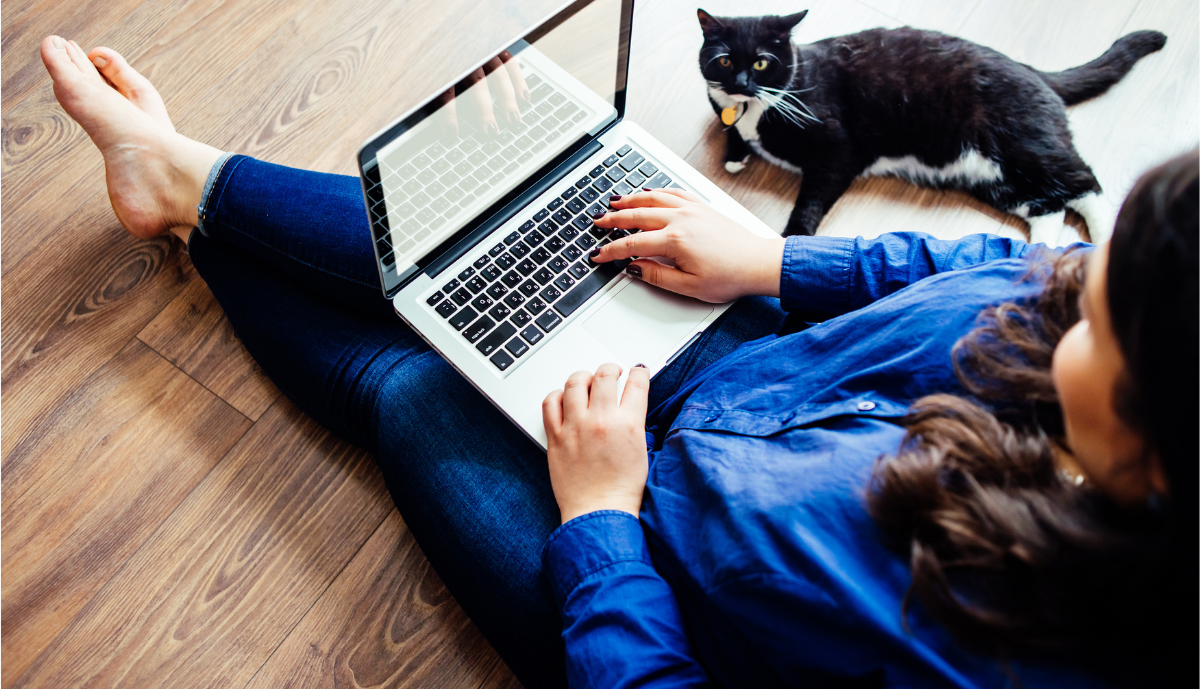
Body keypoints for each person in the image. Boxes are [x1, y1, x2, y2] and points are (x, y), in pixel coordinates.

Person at [40, 34, 1197, 688]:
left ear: (1155, 452)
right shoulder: (1084, 301)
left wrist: (600, 521)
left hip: (661, 596)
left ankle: (183, 207)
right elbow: (970, 274)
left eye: (1091, 320)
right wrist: (773, 265)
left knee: (416, 387)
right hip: (769, 380)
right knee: (554, 233)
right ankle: (186, 176)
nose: (1060, 297)